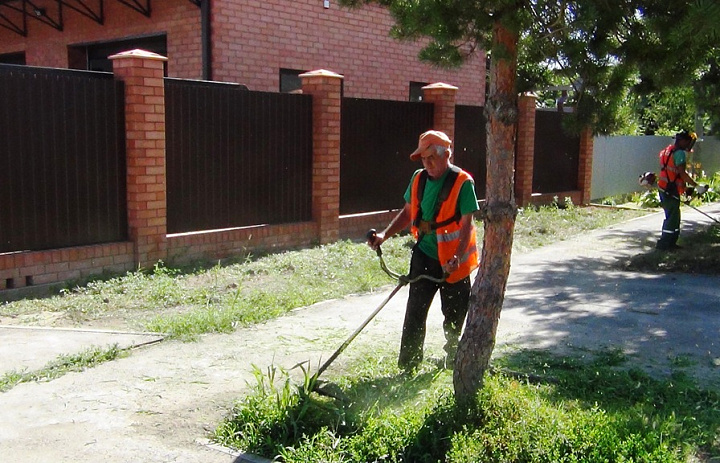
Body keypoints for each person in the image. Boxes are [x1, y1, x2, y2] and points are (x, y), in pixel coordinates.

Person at [367, 130, 480, 370]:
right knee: (415, 313)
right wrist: (385, 235)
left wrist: (456, 258)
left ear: (446, 154)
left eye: (431, 158)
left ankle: (453, 359)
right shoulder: (418, 179)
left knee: (454, 315)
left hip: (453, 263)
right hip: (425, 256)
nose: (426, 163)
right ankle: (409, 365)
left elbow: (466, 226)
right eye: (423, 158)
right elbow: (408, 212)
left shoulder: (463, 183)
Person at [656, 130, 707, 251]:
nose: (689, 144)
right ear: (682, 141)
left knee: (673, 215)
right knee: (672, 217)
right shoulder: (679, 154)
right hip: (670, 189)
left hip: (664, 187)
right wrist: (696, 186)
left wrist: (684, 188)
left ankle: (671, 243)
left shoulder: (668, 150)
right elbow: (681, 173)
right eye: (688, 142)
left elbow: (672, 173)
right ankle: (666, 244)